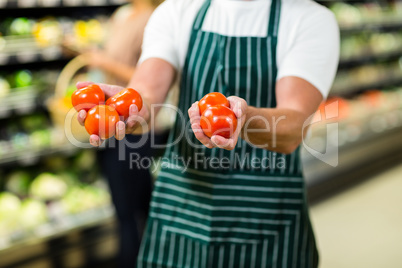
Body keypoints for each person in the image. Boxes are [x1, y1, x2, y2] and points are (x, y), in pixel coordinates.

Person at [76, 0, 339, 266]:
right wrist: (127, 109)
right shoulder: (178, 9)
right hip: (184, 203)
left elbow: (293, 127)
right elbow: (146, 92)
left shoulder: (309, 19)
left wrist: (243, 119)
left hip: (266, 206)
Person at [75, 0, 165, 266]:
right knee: (129, 201)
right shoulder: (122, 13)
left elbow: (148, 78)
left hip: (136, 123)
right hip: (109, 117)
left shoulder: (154, 17)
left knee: (131, 206)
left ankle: (135, 259)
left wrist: (103, 62)